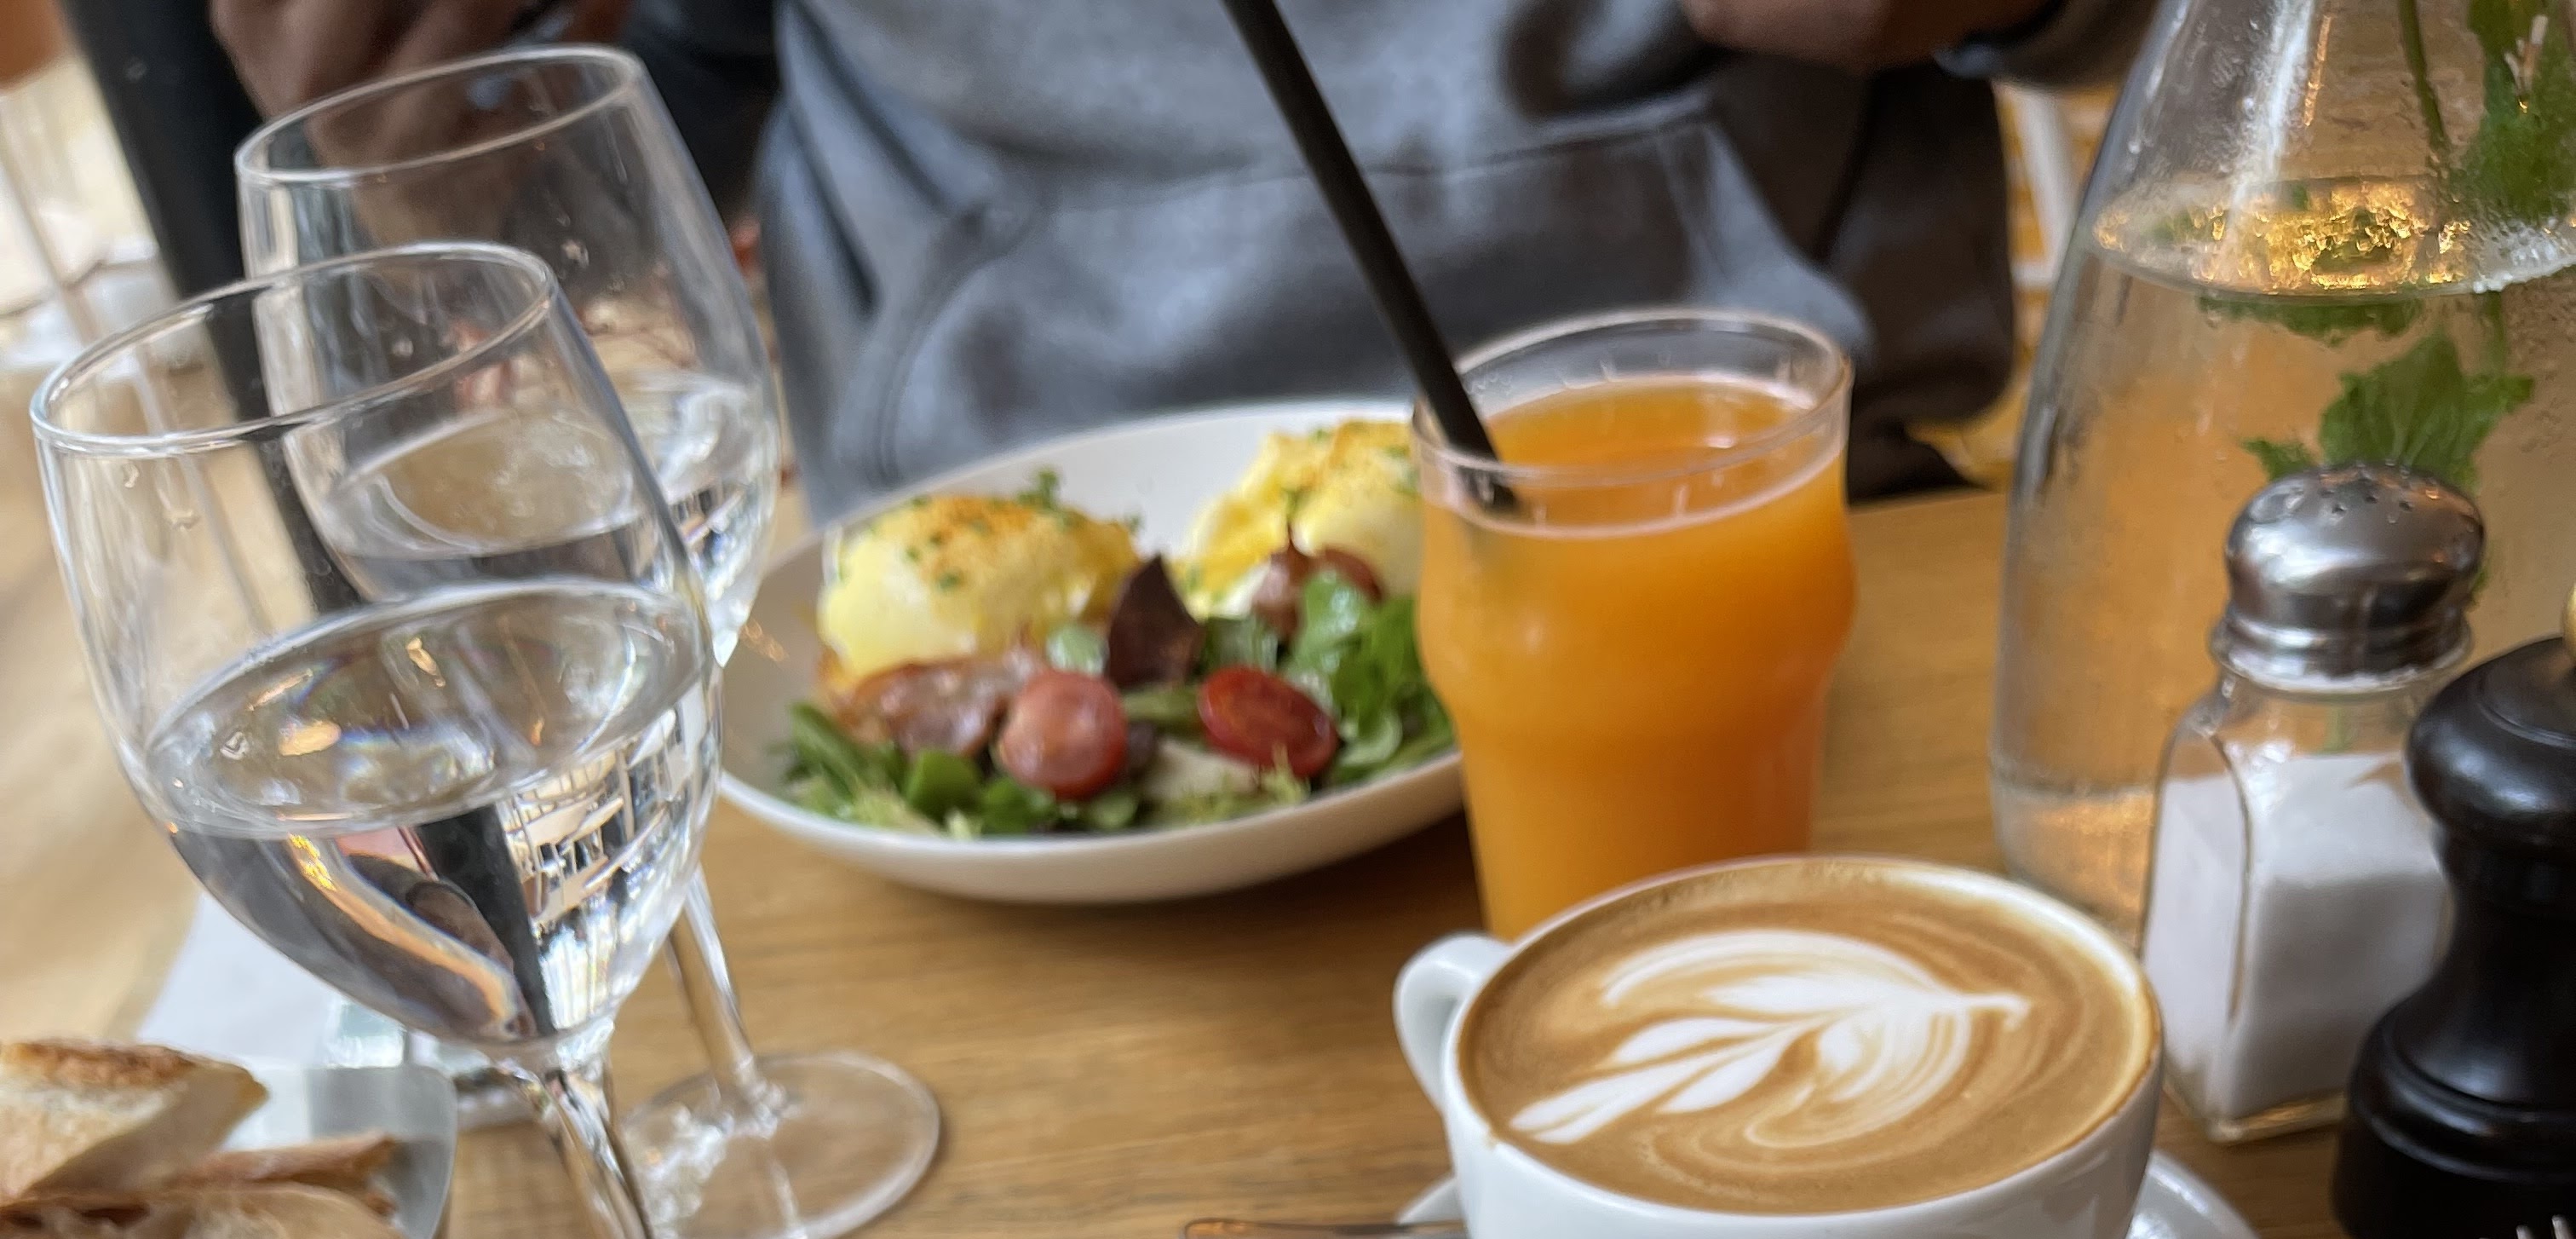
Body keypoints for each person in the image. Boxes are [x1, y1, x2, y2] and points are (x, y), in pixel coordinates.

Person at [210, 0, 2146, 518]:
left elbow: (2127, 39)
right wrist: (429, 145)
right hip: (993, 611)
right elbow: (634, 122)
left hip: (1785, 508)